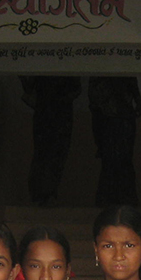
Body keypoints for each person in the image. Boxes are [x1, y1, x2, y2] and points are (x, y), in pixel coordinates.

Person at [22, 75, 81, 206]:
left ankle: (46, 194)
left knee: (55, 155)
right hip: (48, 114)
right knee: (45, 154)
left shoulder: (65, 74)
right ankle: (41, 194)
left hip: (57, 114)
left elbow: (76, 89)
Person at [88, 76, 141, 207]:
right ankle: (114, 199)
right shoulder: (101, 82)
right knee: (113, 163)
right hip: (111, 119)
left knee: (120, 162)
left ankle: (119, 199)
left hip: (118, 119)